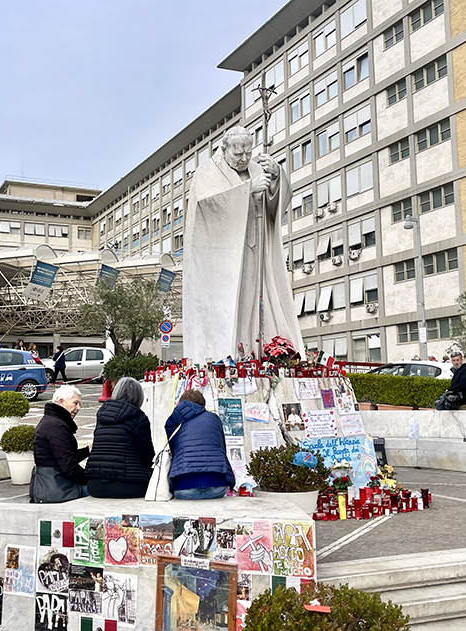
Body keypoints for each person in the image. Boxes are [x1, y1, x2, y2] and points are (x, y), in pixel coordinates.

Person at [183, 125, 303, 363]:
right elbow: (206, 208)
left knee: (260, 305)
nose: (244, 159)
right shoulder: (206, 172)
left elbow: (277, 206)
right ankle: (231, 357)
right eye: (238, 154)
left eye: (248, 153)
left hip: (258, 250)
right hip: (225, 260)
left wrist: (277, 176)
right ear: (224, 149)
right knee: (235, 308)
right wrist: (247, 191)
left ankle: (262, 354)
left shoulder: (256, 168)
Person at [85, 377, 155, 499]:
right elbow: (147, 455)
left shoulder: (101, 415)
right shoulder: (139, 418)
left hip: (95, 485)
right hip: (129, 486)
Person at [164, 389, 234, 499]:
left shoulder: (175, 421)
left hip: (184, 488)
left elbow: (175, 452)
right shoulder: (214, 418)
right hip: (218, 487)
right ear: (202, 405)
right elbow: (222, 448)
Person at [31, 385, 89, 503]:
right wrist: (90, 479)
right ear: (61, 402)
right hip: (56, 488)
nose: (78, 408)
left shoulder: (52, 422)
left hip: (53, 484)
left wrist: (87, 450)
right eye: (75, 403)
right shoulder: (55, 426)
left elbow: (64, 456)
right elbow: (67, 464)